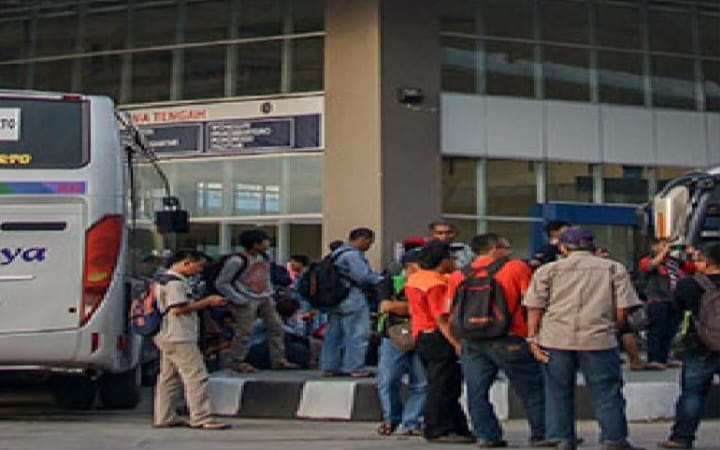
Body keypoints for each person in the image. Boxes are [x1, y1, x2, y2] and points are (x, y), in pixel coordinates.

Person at [523, 227, 645, 450]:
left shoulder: (548, 270)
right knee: (606, 390)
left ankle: (561, 438)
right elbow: (622, 309)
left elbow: (534, 307)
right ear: (592, 245)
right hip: (598, 338)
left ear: (563, 247)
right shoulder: (613, 269)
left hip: (555, 338)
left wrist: (532, 337)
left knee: (557, 389)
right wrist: (613, 329)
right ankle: (613, 439)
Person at [448, 233, 549, 448]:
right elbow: (531, 301)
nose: (509, 249)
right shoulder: (515, 268)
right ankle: (542, 434)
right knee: (532, 388)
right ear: (494, 248)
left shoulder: (458, 275)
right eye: (506, 245)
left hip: (471, 338)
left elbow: (451, 309)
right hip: (510, 336)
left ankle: (487, 435)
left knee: (476, 391)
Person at [406, 241, 475, 444]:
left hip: (421, 333)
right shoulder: (436, 284)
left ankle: (456, 426)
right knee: (443, 385)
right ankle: (437, 428)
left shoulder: (415, 278)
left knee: (443, 383)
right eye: (450, 258)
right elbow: (441, 317)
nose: (453, 262)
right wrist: (456, 343)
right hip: (437, 335)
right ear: (442, 260)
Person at [153, 249, 230, 430]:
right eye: (198, 265)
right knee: (196, 375)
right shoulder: (175, 283)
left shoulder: (162, 279)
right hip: (179, 335)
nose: (199, 270)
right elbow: (177, 309)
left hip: (166, 334)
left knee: (169, 378)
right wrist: (208, 302)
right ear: (187, 262)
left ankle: (164, 416)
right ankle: (202, 417)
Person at [659, 243, 720, 449]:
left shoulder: (690, 284)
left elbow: (677, 307)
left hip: (700, 345)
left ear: (707, 262)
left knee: (693, 394)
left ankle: (682, 438)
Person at [215, 229, 299, 373]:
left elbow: (266, 277)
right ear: (255, 244)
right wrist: (238, 298)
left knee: (277, 327)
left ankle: (278, 359)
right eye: (264, 240)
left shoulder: (264, 258)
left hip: (265, 297)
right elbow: (221, 283)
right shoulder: (237, 261)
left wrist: (270, 293)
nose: (268, 243)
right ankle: (236, 361)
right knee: (244, 331)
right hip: (246, 299)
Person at [375, 248, 426, 437]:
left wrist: (404, 308)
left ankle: (412, 421)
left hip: (422, 336)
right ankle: (391, 417)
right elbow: (386, 306)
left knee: (421, 382)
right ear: (409, 267)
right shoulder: (390, 282)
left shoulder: (430, 281)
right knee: (388, 379)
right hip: (393, 336)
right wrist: (413, 308)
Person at [320, 227, 383, 378]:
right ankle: (354, 367)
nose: (369, 246)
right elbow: (363, 276)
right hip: (352, 297)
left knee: (333, 334)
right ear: (362, 239)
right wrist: (382, 280)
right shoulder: (353, 256)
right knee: (357, 332)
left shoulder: (335, 254)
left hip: (334, 299)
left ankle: (330, 366)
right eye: (369, 242)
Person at [638, 238, 695, 370]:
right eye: (663, 245)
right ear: (654, 247)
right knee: (657, 330)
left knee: (670, 330)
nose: (668, 248)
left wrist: (690, 254)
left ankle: (665, 357)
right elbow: (648, 267)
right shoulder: (648, 260)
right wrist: (663, 252)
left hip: (674, 300)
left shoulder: (675, 262)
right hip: (657, 299)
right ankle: (654, 358)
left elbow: (691, 269)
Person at [596, 247, 648, 371]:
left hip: (601, 306)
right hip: (614, 304)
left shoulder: (594, 269)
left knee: (623, 331)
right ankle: (634, 360)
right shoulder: (615, 268)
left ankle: (634, 360)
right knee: (624, 331)